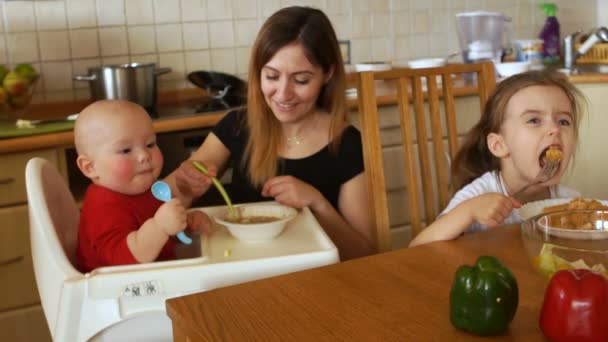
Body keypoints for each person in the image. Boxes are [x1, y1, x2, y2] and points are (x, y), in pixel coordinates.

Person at [168, 6, 374, 260]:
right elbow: (164, 197)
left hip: (317, 279)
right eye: (272, 76)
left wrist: (317, 203)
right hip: (244, 269)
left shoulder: (348, 143)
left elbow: (364, 252)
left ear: (327, 74)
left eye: (301, 80)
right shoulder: (237, 125)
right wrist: (184, 184)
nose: (283, 93)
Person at [409, 70, 585, 247]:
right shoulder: (479, 194)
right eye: (534, 120)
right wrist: (468, 212)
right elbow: (417, 248)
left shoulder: (569, 202)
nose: (555, 129)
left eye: (563, 121)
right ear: (499, 145)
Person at [74, 100, 211, 272]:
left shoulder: (145, 190)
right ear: (90, 167)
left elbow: (158, 241)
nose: (144, 155)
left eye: (150, 144)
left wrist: (184, 225)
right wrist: (160, 226)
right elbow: (125, 259)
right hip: (118, 293)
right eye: (125, 150)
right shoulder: (102, 207)